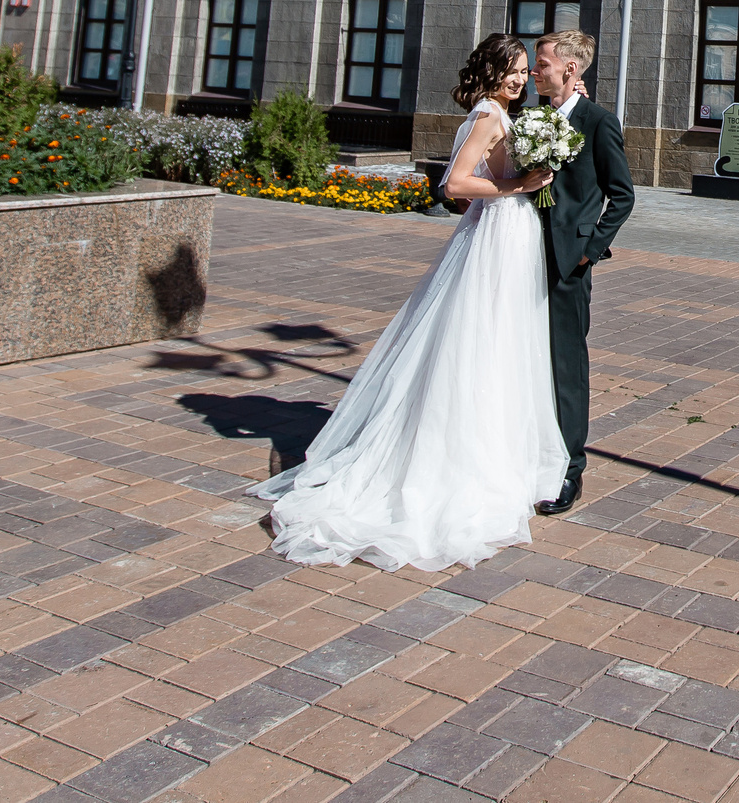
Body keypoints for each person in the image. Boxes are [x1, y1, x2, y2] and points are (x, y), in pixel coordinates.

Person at [249, 34, 565, 571]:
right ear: (490, 72)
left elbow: (470, 189)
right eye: (511, 70)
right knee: (484, 340)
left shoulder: (496, 114)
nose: (519, 79)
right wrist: (517, 186)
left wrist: (520, 178)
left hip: (501, 234)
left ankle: (490, 450)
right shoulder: (489, 115)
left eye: (522, 71)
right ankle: (461, 463)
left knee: (497, 340)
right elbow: (454, 185)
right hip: (497, 234)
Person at [527, 30, 635, 516]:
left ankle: (570, 469)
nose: (535, 72)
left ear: (570, 69)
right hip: (520, 255)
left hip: (567, 264)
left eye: (543, 64)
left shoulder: (598, 122)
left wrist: (589, 251)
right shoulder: (532, 118)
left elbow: (623, 195)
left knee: (566, 366)